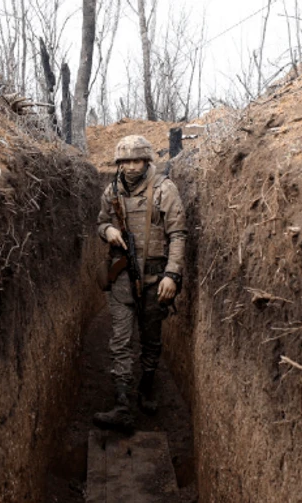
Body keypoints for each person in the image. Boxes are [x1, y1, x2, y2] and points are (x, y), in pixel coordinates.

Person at [93, 135, 187, 431]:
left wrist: (172, 275)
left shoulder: (164, 190)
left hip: (154, 279)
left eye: (137, 161)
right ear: (118, 164)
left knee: (151, 339)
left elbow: (178, 235)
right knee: (120, 340)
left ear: (147, 161)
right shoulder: (111, 192)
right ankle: (122, 403)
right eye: (126, 162)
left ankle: (146, 387)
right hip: (121, 278)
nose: (132, 167)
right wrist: (107, 230)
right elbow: (100, 222)